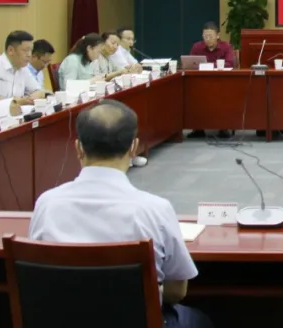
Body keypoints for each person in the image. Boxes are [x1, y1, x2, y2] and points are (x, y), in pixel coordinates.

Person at [29, 100, 212, 328]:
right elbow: (177, 291)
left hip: (62, 320)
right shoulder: (154, 209)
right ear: (134, 148)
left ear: (78, 148)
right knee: (199, 320)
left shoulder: (47, 204)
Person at [0, 30, 47, 102]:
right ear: (11, 50)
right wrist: (19, 102)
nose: (29, 55)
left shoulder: (23, 68)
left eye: (31, 50)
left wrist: (31, 98)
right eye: (26, 50)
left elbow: (39, 91)